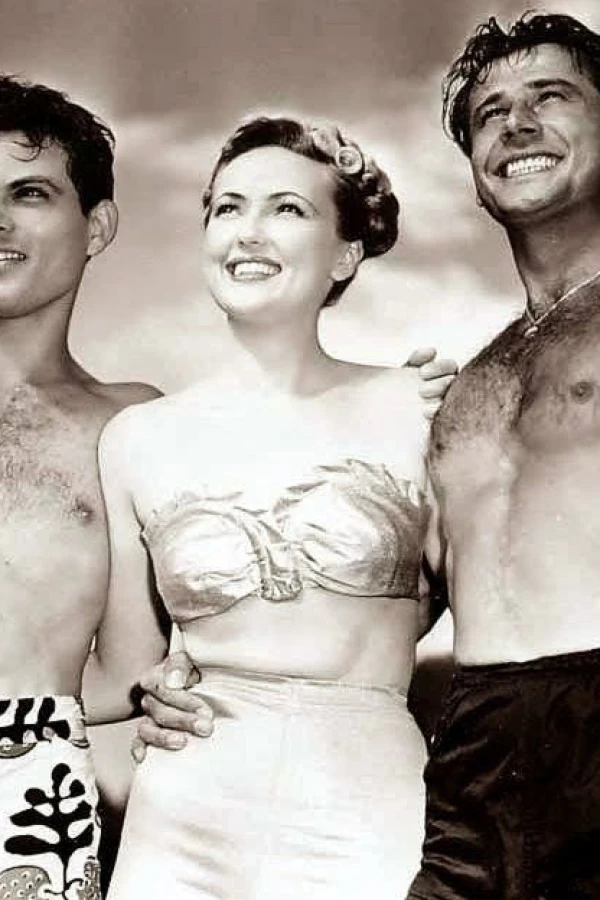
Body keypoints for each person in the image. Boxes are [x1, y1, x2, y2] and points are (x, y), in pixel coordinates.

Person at [92, 115, 455, 900]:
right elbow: (124, 669)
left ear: (346, 252)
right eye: (228, 207)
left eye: (287, 208)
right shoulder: (138, 439)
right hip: (181, 815)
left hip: (367, 807)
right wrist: (147, 693)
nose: (247, 232)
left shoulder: (422, 409)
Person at [405, 12, 600, 900]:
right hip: (474, 748)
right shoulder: (465, 388)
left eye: (551, 97)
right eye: (490, 114)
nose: (517, 124)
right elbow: (405, 603)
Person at [0, 74, 167, 900]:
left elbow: (132, 667)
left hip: (34, 783)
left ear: (96, 226)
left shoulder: (132, 423)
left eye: (28, 192)